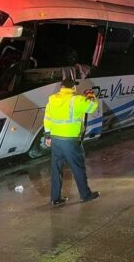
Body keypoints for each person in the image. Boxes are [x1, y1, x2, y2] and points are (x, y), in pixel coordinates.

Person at [44, 78, 100, 206]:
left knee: (56, 170)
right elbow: (92, 107)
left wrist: (47, 136)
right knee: (78, 168)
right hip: (70, 141)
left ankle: (55, 198)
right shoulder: (77, 100)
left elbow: (47, 118)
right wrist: (90, 94)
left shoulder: (52, 99)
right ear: (73, 88)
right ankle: (85, 195)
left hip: (56, 139)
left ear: (61, 87)